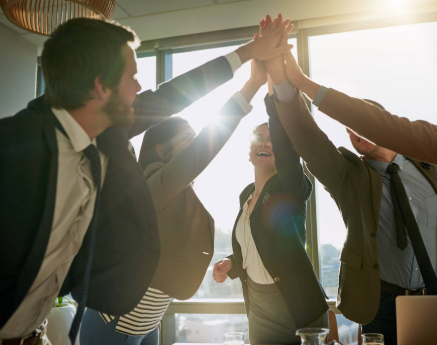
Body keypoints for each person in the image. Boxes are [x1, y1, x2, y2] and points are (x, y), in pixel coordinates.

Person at [0, 15, 293, 344]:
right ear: (100, 85)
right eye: (132, 78)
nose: (140, 88)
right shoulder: (15, 149)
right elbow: (198, 151)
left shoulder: (106, 138)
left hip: (33, 335)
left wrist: (251, 56)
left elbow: (173, 96)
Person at [272, 16, 437, 327]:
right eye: (349, 131)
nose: (354, 133)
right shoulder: (349, 175)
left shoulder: (428, 166)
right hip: (380, 306)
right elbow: (309, 141)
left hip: (434, 297)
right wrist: (289, 84)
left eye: (360, 124)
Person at [79, 56, 266, 345]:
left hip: (147, 325)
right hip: (113, 322)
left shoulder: (179, 196)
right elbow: (203, 149)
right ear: (161, 153)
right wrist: (252, 85)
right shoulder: (149, 189)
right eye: (186, 139)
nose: (194, 147)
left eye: (193, 138)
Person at [212, 74, 329, 344]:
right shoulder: (245, 195)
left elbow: (289, 156)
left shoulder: (290, 185)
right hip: (259, 309)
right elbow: (254, 246)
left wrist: (272, 88)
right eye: (258, 137)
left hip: (298, 307)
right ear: (249, 151)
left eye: (272, 138)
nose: (265, 142)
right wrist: (232, 263)